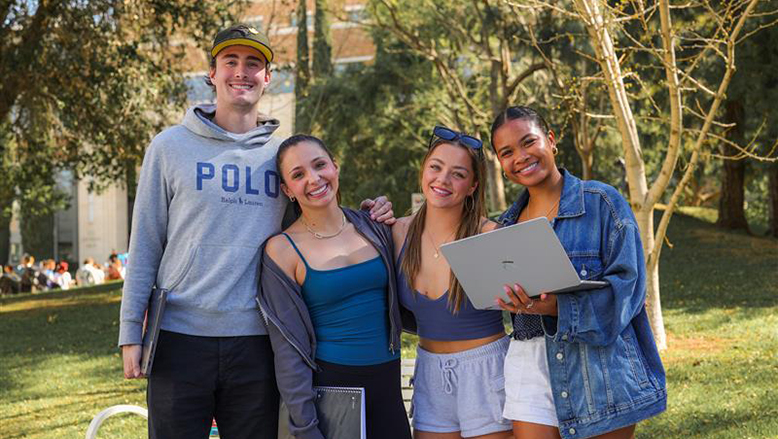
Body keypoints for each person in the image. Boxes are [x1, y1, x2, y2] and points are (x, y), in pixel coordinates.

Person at [118, 25, 393, 439]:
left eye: (254, 63)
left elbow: (317, 214)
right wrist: (129, 334)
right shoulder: (169, 147)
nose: (241, 72)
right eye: (231, 61)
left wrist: (369, 215)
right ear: (212, 73)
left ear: (267, 77)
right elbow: (144, 244)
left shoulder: (281, 156)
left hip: (258, 341)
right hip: (179, 339)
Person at [491, 106, 667, 439]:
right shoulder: (504, 226)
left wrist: (559, 307)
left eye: (529, 142)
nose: (521, 156)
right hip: (528, 364)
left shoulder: (603, 203)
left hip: (599, 369)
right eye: (507, 152)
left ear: (551, 140)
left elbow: (629, 290)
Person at [259, 134, 411, 439]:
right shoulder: (281, 250)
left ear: (335, 167)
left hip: (388, 384)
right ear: (288, 190)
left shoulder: (374, 226)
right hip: (332, 390)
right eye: (298, 175)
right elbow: (288, 350)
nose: (314, 179)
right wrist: (304, 428)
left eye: (320, 165)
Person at [393, 126, 512, 439]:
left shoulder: (491, 236)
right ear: (424, 170)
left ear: (473, 185)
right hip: (429, 371)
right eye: (436, 167)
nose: (442, 180)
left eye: (458, 174)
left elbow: (542, 291)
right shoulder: (398, 233)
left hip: (486, 372)